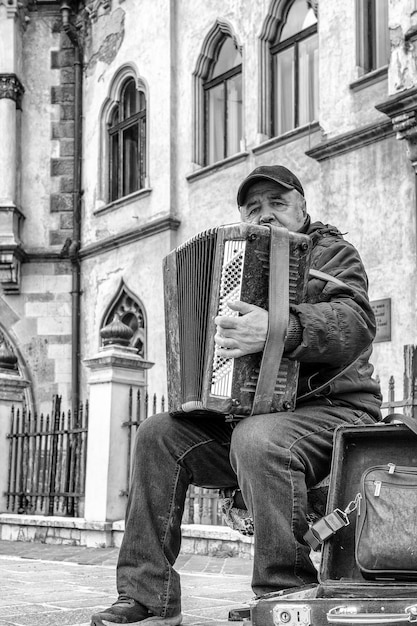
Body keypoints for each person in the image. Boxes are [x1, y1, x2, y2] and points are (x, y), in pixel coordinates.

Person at [91, 165, 382, 626]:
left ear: (302, 206)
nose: (266, 216)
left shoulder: (331, 253)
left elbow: (358, 324)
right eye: (254, 209)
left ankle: (285, 594)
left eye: (278, 204)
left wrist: (277, 328)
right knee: (156, 434)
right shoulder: (231, 267)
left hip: (335, 413)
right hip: (251, 420)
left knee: (257, 437)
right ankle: (149, 598)